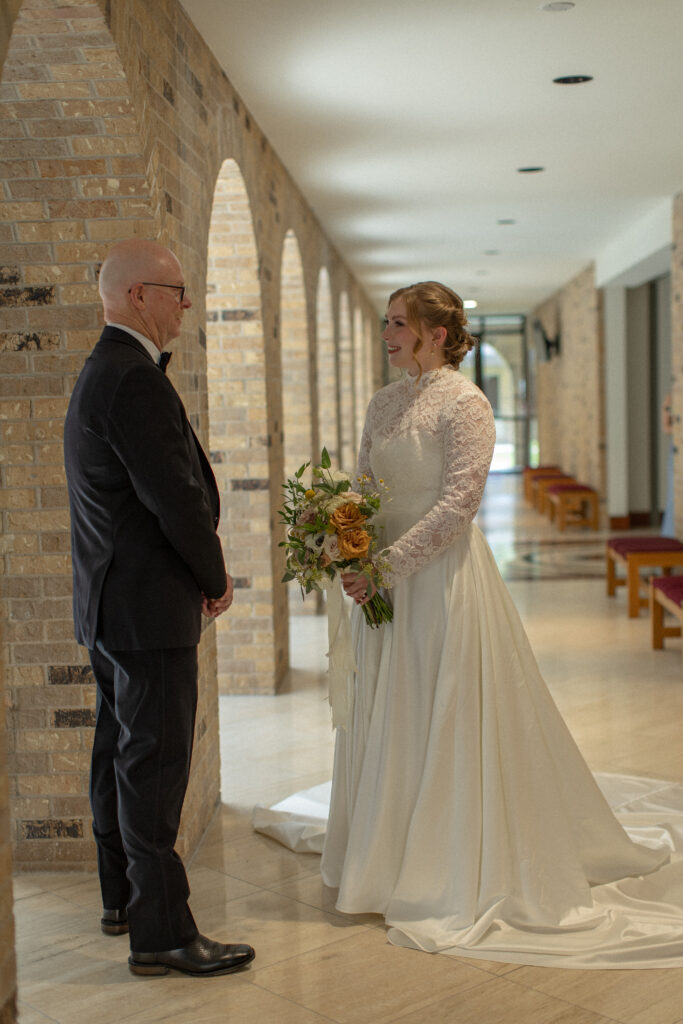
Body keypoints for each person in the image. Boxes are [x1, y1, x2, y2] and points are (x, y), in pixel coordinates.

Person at [256, 281, 683, 969]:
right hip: (380, 582)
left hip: (441, 582)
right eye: (387, 322)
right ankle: (383, 852)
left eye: (398, 323)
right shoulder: (382, 401)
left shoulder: (465, 402)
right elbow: (364, 484)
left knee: (440, 704)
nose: (388, 332)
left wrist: (387, 566)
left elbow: (459, 505)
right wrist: (340, 534)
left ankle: (440, 862)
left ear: (434, 331)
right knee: (386, 709)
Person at [64, 239, 255, 978]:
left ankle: (123, 899)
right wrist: (213, 574)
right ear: (138, 295)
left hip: (115, 606)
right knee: (155, 766)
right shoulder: (130, 378)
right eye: (178, 292)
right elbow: (172, 496)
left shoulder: (106, 371)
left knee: (119, 754)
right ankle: (162, 934)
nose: (186, 307)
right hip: (146, 608)